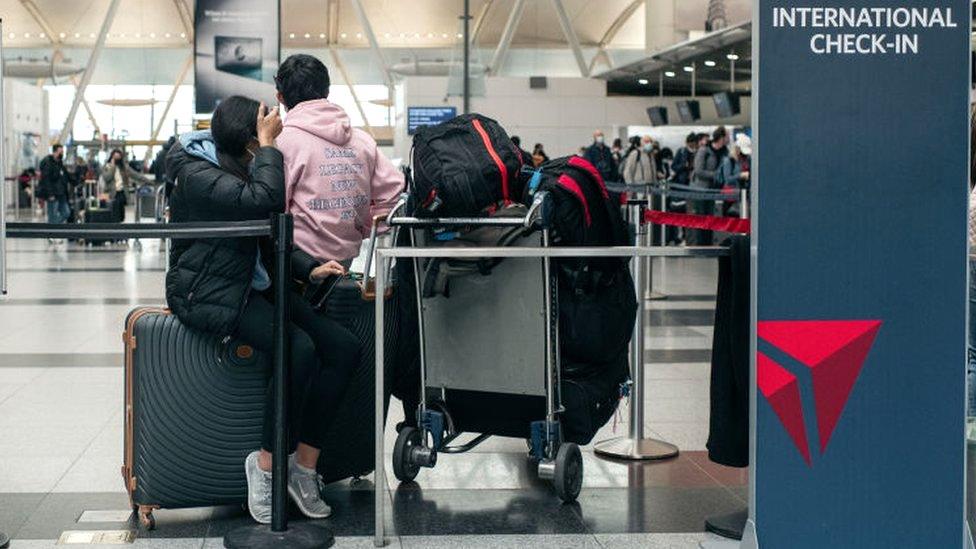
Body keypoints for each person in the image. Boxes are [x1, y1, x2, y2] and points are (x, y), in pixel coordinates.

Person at [165, 95, 356, 525]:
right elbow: (264, 201)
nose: (273, 133)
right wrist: (270, 147)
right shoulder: (196, 172)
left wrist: (308, 266)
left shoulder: (243, 162)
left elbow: (269, 235)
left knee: (344, 348)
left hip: (251, 283)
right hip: (208, 290)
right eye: (263, 129)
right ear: (248, 139)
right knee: (298, 348)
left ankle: (303, 467)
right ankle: (267, 466)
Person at [273, 53, 404, 270]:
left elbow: (274, 205)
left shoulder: (282, 142)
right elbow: (392, 198)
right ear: (327, 91)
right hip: (347, 257)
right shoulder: (362, 140)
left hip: (297, 262)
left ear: (280, 97)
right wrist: (363, 226)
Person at [688, 126, 730, 245]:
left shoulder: (724, 152)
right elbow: (698, 170)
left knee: (711, 217)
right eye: (727, 136)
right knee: (701, 217)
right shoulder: (704, 150)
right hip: (701, 189)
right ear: (721, 137)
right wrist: (715, 175)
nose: (728, 138)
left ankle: (708, 245)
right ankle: (701, 245)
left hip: (713, 190)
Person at [38, 144, 71, 226]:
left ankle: (53, 228)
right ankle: (52, 231)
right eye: (60, 152)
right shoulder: (48, 163)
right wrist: (50, 194)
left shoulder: (60, 163)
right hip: (53, 194)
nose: (62, 154)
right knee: (52, 215)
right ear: (55, 152)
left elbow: (64, 176)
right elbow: (46, 180)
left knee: (66, 212)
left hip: (61, 193)